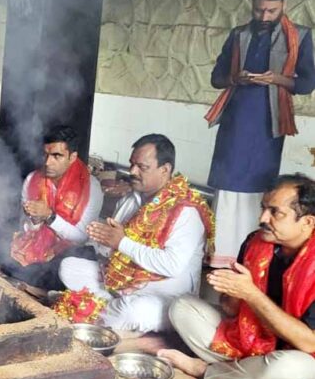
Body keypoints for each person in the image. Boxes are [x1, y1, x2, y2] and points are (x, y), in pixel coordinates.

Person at [159, 174, 315, 379]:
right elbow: (233, 311)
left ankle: (206, 371)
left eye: (275, 212)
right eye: (263, 208)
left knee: (286, 368)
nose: (262, 218)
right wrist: (231, 294)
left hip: (301, 356)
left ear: (308, 222)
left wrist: (251, 294)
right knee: (181, 307)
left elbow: (309, 343)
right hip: (250, 340)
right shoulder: (255, 242)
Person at [205, 0, 315, 268]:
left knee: (260, 189)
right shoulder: (239, 34)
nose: (264, 17)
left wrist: (276, 79)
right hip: (235, 122)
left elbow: (306, 84)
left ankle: (252, 260)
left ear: (284, 5)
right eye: (259, 10)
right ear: (252, 5)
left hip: (268, 125)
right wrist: (236, 78)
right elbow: (216, 78)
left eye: (271, 11)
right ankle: (220, 259)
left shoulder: (300, 36)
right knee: (227, 187)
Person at [57, 134, 214, 333]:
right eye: (132, 164)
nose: (132, 171)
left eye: (142, 167)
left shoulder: (186, 211)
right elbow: (111, 250)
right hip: (123, 281)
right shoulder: (131, 200)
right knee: (69, 268)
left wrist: (121, 243)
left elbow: (171, 265)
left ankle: (98, 310)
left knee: (130, 312)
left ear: (165, 170)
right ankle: (108, 309)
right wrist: (102, 238)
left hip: (165, 293)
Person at [1, 126, 103, 291]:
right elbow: (26, 228)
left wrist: (49, 216)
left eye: (57, 156)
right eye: (45, 155)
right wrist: (34, 219)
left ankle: (28, 277)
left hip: (72, 252)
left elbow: (81, 237)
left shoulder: (91, 187)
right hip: (36, 248)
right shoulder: (32, 180)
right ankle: (29, 277)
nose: (48, 162)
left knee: (63, 266)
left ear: (72, 157)